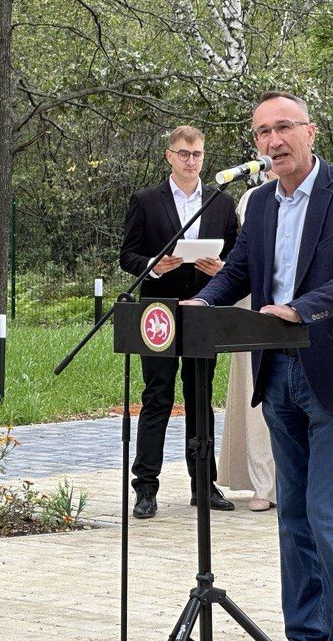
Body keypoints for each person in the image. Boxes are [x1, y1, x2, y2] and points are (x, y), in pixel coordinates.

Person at [186, 92, 333, 641]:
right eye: (262, 133)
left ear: (310, 132)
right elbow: (240, 271)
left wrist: (301, 309)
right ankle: (304, 633)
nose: (273, 142)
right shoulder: (260, 203)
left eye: (284, 129)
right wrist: (203, 302)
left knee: (328, 523)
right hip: (275, 376)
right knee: (292, 520)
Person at [119, 125, 238, 520]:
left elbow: (239, 259)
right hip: (159, 311)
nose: (191, 161)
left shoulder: (221, 203)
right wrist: (153, 266)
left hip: (204, 309)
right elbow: (129, 255)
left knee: (200, 395)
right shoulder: (147, 200)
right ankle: (145, 488)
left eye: (198, 154)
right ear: (169, 156)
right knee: (157, 396)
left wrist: (220, 268)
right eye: (184, 153)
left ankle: (203, 484)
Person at [216, 173, 278, 512]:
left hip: (295, 305)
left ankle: (296, 482)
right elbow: (241, 258)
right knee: (255, 395)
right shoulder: (252, 199)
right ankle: (264, 484)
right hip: (251, 301)